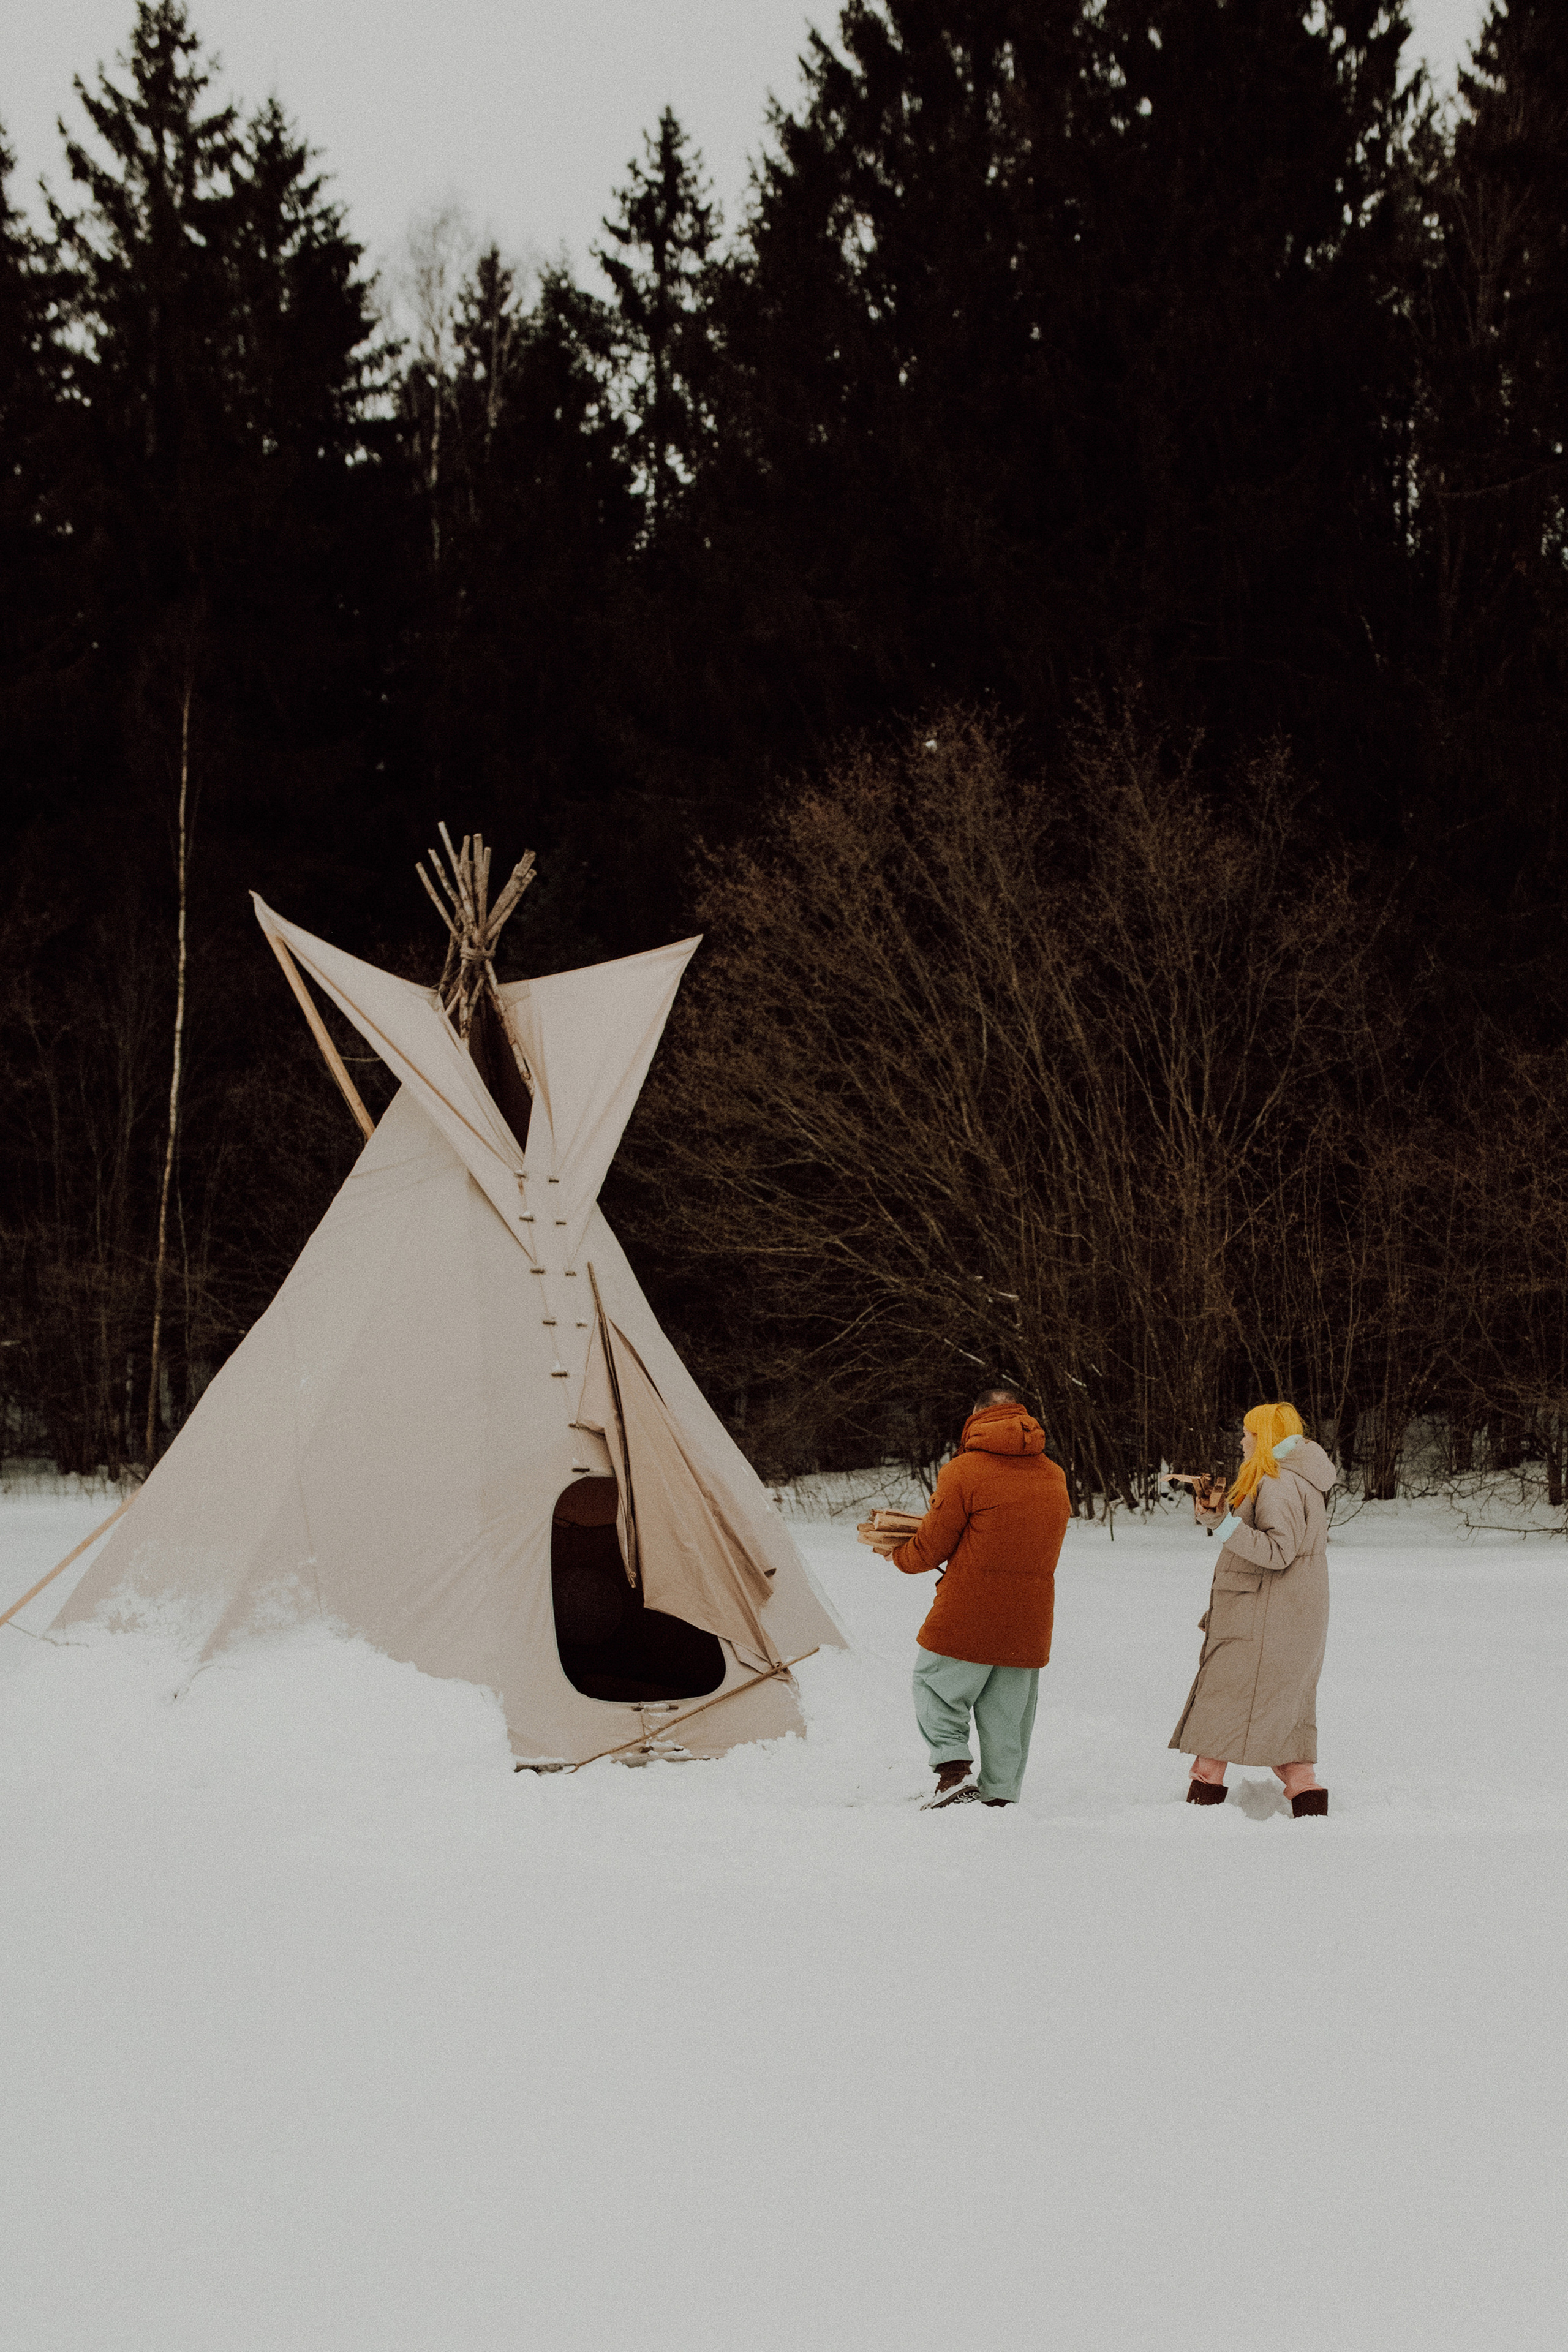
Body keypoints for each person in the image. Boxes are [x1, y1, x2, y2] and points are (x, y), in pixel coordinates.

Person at [869, 1387, 1071, 1811]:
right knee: (1008, 1713)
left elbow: (933, 1545)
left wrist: (898, 1554)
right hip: (1031, 1617)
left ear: (977, 1417)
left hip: (969, 1608)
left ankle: (953, 1774)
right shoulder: (1053, 1474)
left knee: (934, 1684)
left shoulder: (964, 1471)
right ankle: (999, 1796)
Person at [1169, 1401, 1336, 1816]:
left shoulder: (1279, 1483)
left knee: (1223, 1697)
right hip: (1288, 1616)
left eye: (1249, 1433)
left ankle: (1203, 1794)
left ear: (1266, 1439)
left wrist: (1222, 1524)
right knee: (1287, 1708)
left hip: (1265, 1620)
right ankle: (1305, 1793)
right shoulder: (1298, 1479)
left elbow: (1279, 1551)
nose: (1242, 1440)